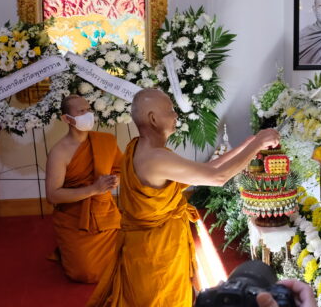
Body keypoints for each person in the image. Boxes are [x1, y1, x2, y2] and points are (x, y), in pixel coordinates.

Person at [87, 88, 280, 306]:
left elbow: (207, 168)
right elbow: (218, 177)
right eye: (170, 110)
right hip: (157, 253)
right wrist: (258, 145)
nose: (176, 115)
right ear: (153, 118)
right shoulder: (156, 158)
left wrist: (248, 143)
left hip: (150, 245)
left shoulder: (139, 147)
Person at [45, 94, 123, 283]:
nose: (87, 114)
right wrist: (94, 189)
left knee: (129, 262)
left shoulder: (106, 140)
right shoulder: (59, 152)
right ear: (66, 119)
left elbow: (120, 168)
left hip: (106, 214)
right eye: (81, 111)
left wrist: (115, 180)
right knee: (86, 273)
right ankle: (67, 250)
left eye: (88, 110)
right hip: (75, 218)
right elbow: (53, 195)